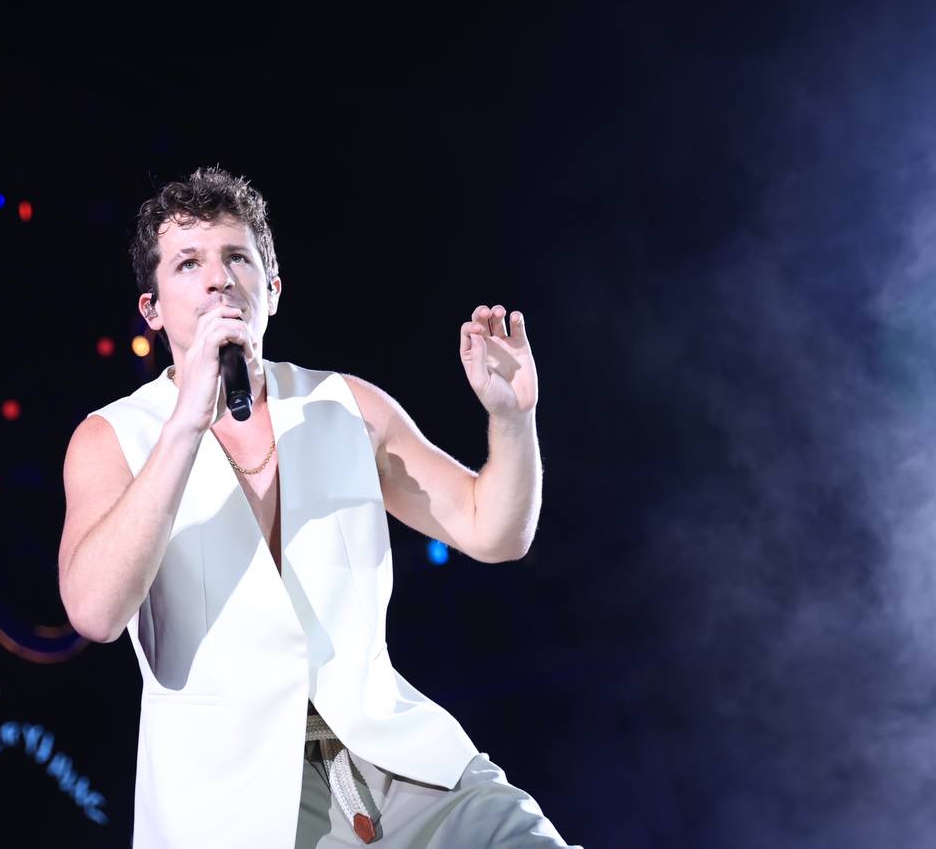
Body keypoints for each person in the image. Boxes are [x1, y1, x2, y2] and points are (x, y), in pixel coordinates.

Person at [58, 167, 580, 848]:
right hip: (235, 799)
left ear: (272, 289)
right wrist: (187, 421)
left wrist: (512, 420)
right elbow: (94, 612)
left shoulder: (344, 406)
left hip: (397, 759)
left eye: (237, 257)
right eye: (189, 263)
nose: (218, 280)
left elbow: (494, 531)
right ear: (152, 309)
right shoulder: (115, 437)